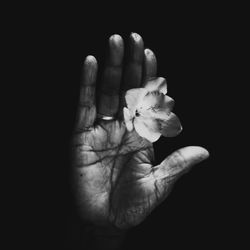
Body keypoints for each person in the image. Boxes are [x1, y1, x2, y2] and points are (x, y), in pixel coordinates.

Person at [71, 33, 209, 249]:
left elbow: (167, 119)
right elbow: (145, 95)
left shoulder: (157, 124)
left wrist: (107, 234)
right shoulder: (134, 104)